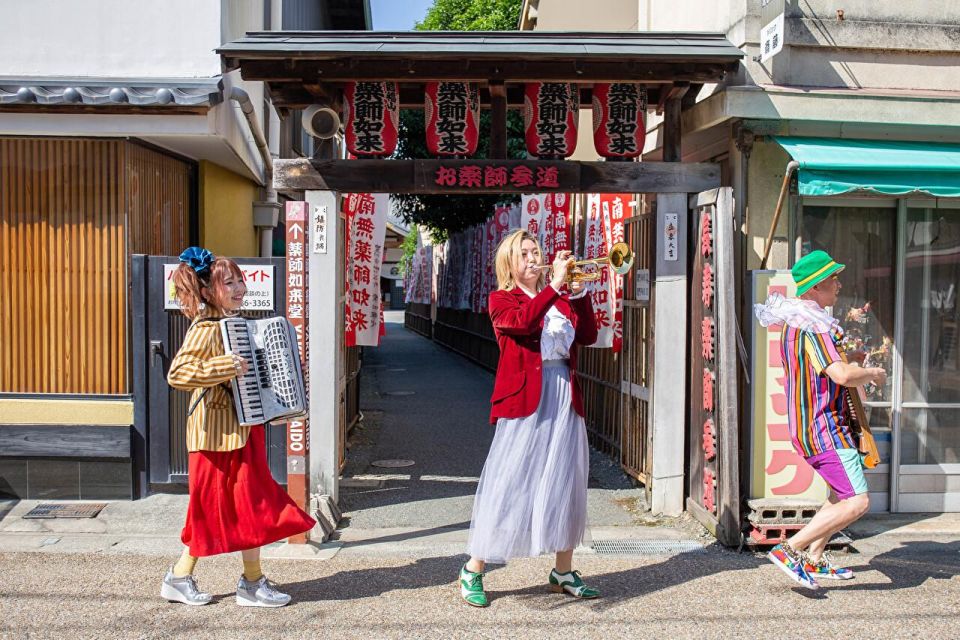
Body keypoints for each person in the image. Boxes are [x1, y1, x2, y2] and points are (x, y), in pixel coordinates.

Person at [161, 246, 316, 607]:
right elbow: (177, 374)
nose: (239, 288)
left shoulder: (235, 325)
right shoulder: (207, 328)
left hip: (238, 432)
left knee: (250, 507)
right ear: (206, 291)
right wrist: (226, 366)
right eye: (228, 282)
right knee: (213, 510)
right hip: (214, 437)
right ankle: (183, 577)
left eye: (240, 280)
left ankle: (247, 582)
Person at [459, 229, 599, 607]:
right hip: (525, 399)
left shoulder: (561, 298)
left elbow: (587, 335)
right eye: (524, 254)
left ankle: (564, 570)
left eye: (535, 251)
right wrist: (554, 285)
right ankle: (474, 568)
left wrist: (581, 293)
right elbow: (522, 323)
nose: (533, 258)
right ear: (510, 263)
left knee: (566, 480)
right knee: (510, 481)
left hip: (564, 395)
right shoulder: (501, 299)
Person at [755, 250, 887, 590]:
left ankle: (813, 557)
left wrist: (851, 358)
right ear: (815, 287)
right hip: (824, 427)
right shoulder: (812, 326)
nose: (839, 285)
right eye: (833, 280)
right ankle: (791, 550)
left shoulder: (796, 321)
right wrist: (871, 372)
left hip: (812, 424)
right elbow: (840, 375)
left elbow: (826, 367)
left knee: (838, 495)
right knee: (857, 500)